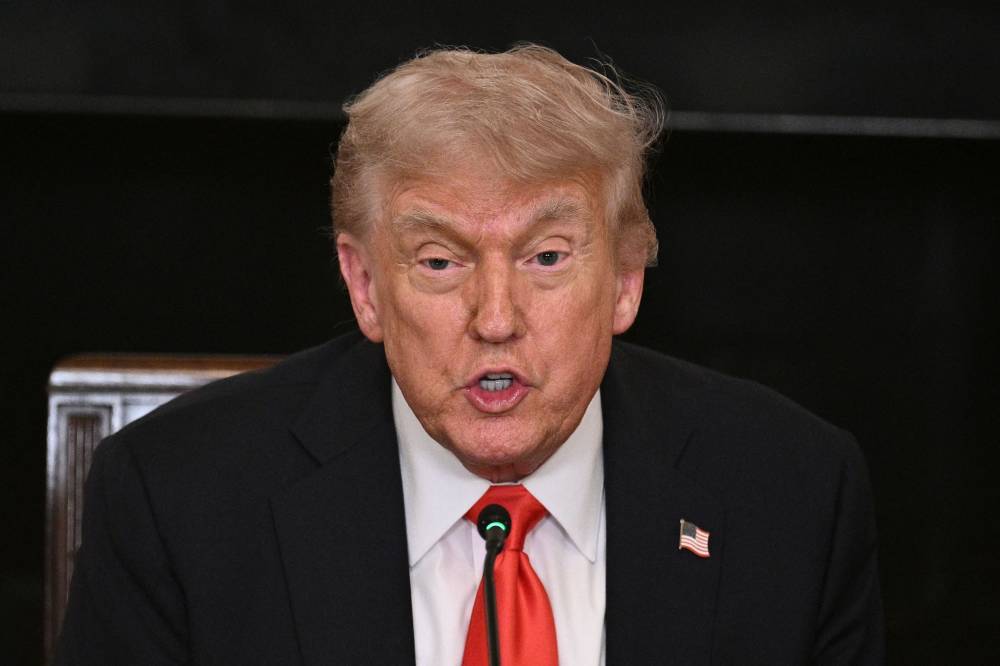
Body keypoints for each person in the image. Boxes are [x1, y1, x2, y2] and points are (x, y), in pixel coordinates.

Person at [57, 44, 884, 665]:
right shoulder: (177, 500)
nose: (495, 319)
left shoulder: (793, 494)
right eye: (441, 262)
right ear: (365, 285)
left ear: (627, 280)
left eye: (546, 257)